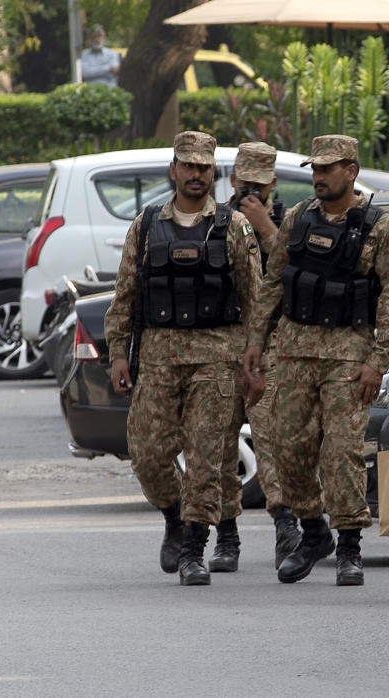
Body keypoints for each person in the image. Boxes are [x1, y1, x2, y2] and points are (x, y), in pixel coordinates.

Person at [105, 131, 265, 586]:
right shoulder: (146, 223)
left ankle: (194, 549)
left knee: (206, 458)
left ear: (214, 172)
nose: (196, 175)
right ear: (173, 170)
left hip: (218, 358)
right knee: (147, 454)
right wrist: (119, 353)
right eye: (188, 166)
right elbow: (125, 296)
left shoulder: (233, 226)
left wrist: (256, 359)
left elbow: (257, 298)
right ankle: (174, 520)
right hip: (157, 358)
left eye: (204, 168)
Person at [254, 134, 389, 587]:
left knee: (341, 453)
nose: (318, 178)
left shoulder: (379, 227)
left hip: (349, 356)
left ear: (351, 171)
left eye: (328, 169)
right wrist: (255, 344)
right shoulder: (299, 219)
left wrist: (378, 361)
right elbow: (273, 284)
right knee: (288, 449)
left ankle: (349, 547)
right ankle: (314, 529)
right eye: (315, 170)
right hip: (295, 351)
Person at [212, 142, 303, 572]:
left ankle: (286, 523)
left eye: (260, 186)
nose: (252, 193)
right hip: (220, 345)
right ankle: (226, 535)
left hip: (268, 351)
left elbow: (296, 276)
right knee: (217, 446)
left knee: (271, 442)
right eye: (245, 184)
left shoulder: (288, 225)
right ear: (232, 181)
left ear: (273, 185)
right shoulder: (213, 223)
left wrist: (268, 230)